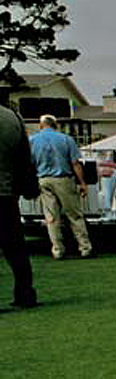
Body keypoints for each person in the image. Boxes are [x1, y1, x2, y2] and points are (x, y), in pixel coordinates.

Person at [29, 114, 93, 259]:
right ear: (55, 125)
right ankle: (85, 247)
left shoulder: (32, 140)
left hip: (43, 179)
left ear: (41, 125)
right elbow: (75, 163)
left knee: (51, 218)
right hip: (63, 179)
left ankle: (57, 250)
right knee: (74, 215)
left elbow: (30, 164)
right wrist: (82, 183)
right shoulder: (66, 139)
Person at [0, 103, 40, 308]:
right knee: (15, 247)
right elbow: (24, 158)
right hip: (6, 193)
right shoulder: (12, 117)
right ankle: (25, 293)